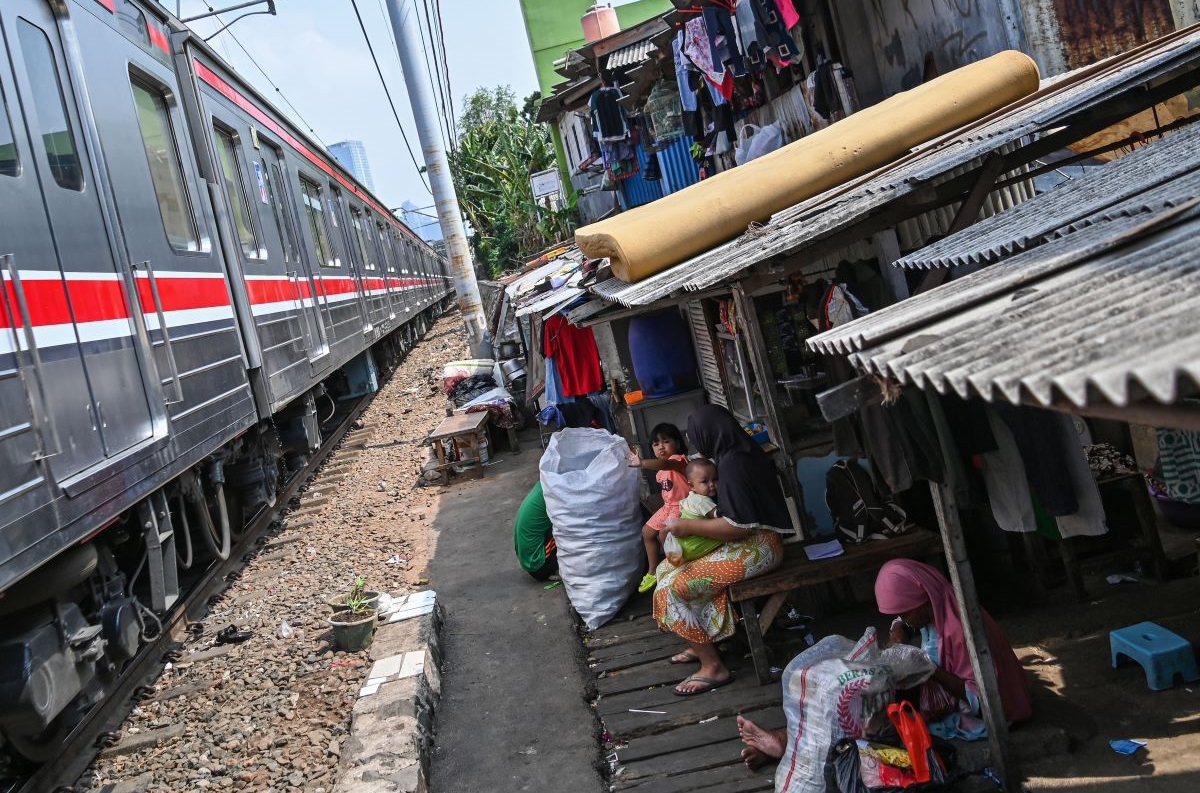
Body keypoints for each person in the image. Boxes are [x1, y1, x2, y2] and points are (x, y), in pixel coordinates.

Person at [737, 557, 1033, 769]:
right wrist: (900, 631)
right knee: (857, 694)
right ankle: (790, 739)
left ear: (922, 600)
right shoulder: (940, 607)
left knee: (870, 721)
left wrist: (931, 670)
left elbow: (985, 700)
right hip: (942, 692)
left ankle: (787, 744)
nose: (905, 618)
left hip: (981, 715)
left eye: (907, 611)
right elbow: (910, 623)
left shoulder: (960, 633)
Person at [656, 405, 793, 695]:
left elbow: (738, 528)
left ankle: (713, 667)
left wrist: (687, 527)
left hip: (760, 547)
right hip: (751, 543)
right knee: (665, 570)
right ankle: (703, 638)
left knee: (678, 586)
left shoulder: (733, 464)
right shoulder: (736, 454)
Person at [626, 423, 690, 594]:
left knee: (664, 533)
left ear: (677, 443)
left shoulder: (678, 460)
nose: (661, 446)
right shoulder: (660, 469)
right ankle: (652, 571)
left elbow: (666, 464)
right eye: (655, 444)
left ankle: (676, 566)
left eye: (665, 441)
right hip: (668, 506)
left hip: (683, 505)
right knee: (647, 532)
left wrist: (642, 463)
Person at [665, 458, 723, 566]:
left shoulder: (690, 498)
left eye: (715, 479)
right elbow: (719, 517)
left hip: (683, 547)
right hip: (694, 546)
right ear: (691, 486)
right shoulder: (702, 501)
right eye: (704, 481)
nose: (711, 484)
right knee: (729, 534)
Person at [513, 482, 557, 581]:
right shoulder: (554, 490)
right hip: (538, 565)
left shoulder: (545, 483)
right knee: (569, 530)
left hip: (528, 559)